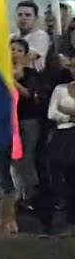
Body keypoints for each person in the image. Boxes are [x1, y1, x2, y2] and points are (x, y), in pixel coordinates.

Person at [0, 39, 41, 232]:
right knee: (1, 168)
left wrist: (10, 80)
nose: (14, 53)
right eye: (11, 49)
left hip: (25, 123)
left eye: (19, 50)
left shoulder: (31, 74)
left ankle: (27, 205)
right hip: (3, 123)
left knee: (21, 165)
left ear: (25, 54)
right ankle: (4, 217)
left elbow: (29, 94)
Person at [41, 69, 75, 236]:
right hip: (62, 135)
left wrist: (66, 110)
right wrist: (70, 117)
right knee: (57, 174)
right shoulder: (60, 89)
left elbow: (59, 110)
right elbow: (52, 112)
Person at [16, 0, 49, 73]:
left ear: (36, 18)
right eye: (20, 14)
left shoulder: (41, 36)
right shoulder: (12, 37)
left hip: (31, 77)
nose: (23, 18)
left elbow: (26, 58)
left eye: (27, 15)